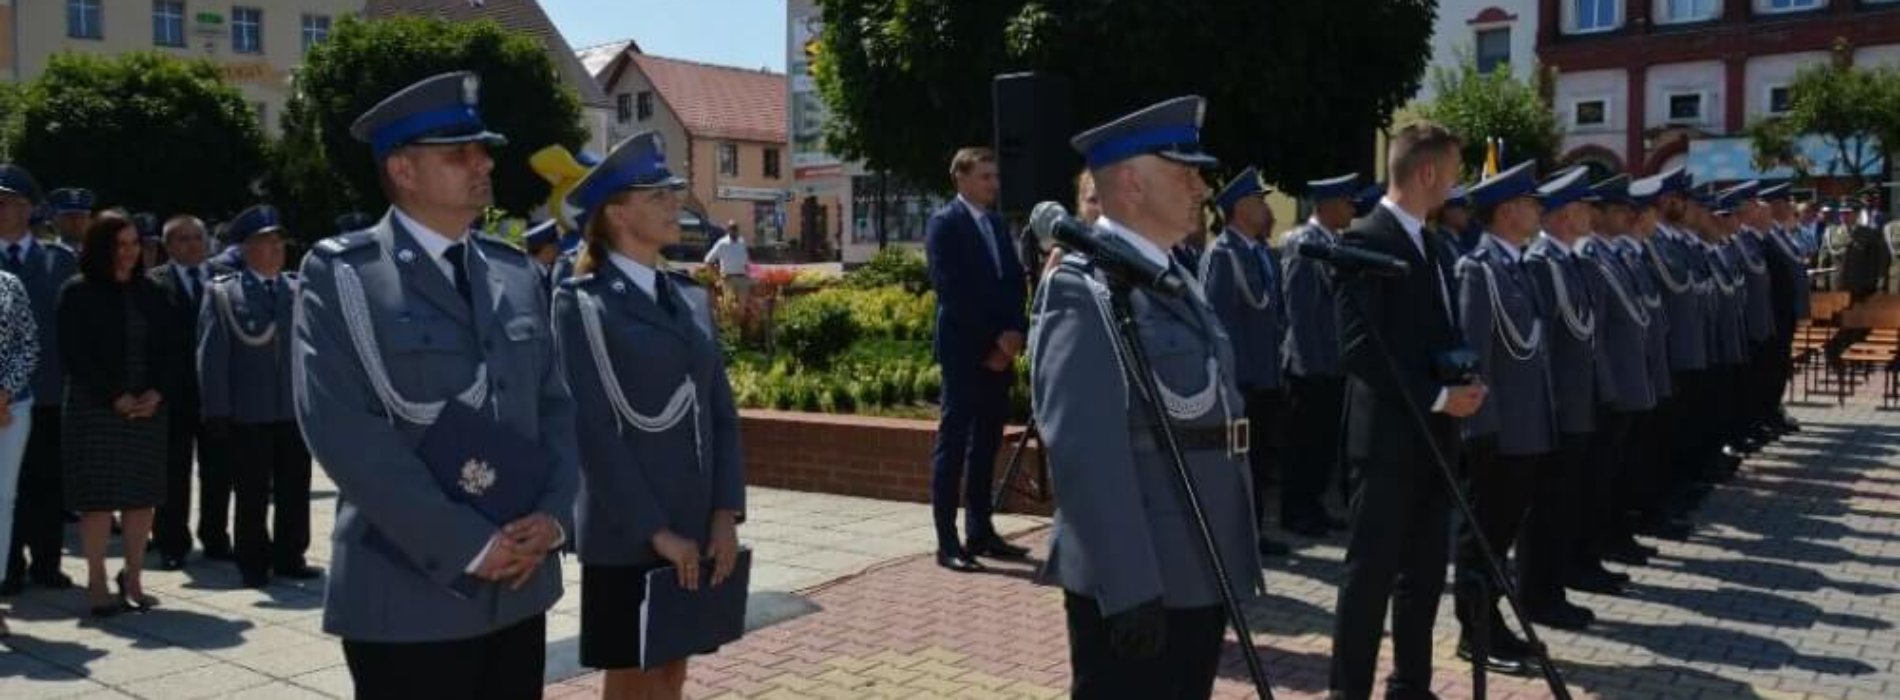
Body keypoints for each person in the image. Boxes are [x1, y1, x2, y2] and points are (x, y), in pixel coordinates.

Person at [292, 71, 579, 698]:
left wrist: (554, 519)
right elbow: (343, 434)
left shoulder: (513, 272)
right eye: (458, 154)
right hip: (409, 596)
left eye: (482, 151)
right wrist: (469, 545)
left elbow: (557, 408)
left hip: (519, 592)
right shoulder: (344, 276)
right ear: (402, 170)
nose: (482, 165)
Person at [1032, 94, 1262, 700]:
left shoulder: (1172, 274)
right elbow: (1085, 453)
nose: (1201, 187)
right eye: (1184, 172)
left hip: (1196, 559)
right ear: (1131, 183)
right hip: (1143, 573)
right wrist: (1129, 586)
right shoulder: (1085, 290)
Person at [554, 130, 746, 700]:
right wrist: (655, 532)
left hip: (693, 520)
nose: (673, 204)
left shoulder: (686, 294)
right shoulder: (582, 303)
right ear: (615, 212)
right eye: (656, 195)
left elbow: (721, 414)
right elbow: (591, 433)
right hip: (628, 527)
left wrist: (723, 513)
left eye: (673, 191)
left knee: (672, 672)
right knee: (634, 678)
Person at [1328, 123, 1479, 700]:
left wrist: (1463, 378)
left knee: (1421, 573)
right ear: (1427, 173)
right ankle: (1349, 693)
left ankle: (1410, 686)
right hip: (1388, 441)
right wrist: (1438, 396)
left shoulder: (1434, 243)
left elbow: (1436, 331)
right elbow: (1359, 349)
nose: (1459, 184)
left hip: (1434, 439)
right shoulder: (1366, 237)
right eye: (1455, 170)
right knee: (1369, 577)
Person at [1448, 161, 1555, 677]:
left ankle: (1492, 618)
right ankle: (1474, 630)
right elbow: (1473, 355)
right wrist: (1479, 431)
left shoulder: (1516, 265)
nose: (1540, 211)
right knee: (1483, 534)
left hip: (1526, 425)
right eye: (1533, 203)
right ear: (1508, 210)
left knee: (1503, 532)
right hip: (1498, 430)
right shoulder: (1479, 269)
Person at [58, 212, 182, 617]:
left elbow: (172, 350)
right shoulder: (77, 292)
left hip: (147, 408)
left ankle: (133, 578)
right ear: (100, 247)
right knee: (97, 502)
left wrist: (156, 392)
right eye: (119, 245)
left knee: (141, 497)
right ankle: (96, 580)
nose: (129, 253)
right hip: (96, 408)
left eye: (134, 244)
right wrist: (115, 396)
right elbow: (75, 354)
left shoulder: (155, 290)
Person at [200, 205, 319, 588]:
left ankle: (290, 555)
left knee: (294, 489)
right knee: (251, 494)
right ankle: (252, 561)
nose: (274, 249)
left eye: (278, 242)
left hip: (292, 410)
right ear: (246, 249)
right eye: (265, 243)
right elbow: (212, 355)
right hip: (248, 413)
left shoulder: (298, 288)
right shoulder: (223, 293)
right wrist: (217, 409)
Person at [923, 146, 1029, 573]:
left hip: (999, 354)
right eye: (985, 176)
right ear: (961, 179)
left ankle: (981, 532)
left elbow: (1012, 284)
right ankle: (947, 542)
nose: (993, 184)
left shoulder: (999, 226)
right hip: (965, 351)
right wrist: (993, 342)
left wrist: (1014, 335)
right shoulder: (944, 224)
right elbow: (954, 290)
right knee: (954, 445)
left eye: (995, 176)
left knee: (987, 444)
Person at [1519, 167, 1614, 631]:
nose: (1589, 215)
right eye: (1581, 207)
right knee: (1547, 503)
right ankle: (1538, 594)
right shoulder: (1541, 263)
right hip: (1557, 404)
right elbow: (1540, 342)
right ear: (1562, 215)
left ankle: (1553, 584)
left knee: (1567, 497)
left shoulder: (1570, 261)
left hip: (1578, 399)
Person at [1199, 167, 1292, 559]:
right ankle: (1236, 537)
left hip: (1266, 373)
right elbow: (1216, 324)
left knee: (1259, 460)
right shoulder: (1223, 255)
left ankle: (1254, 531)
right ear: (1238, 208)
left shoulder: (1257, 254)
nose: (1264, 206)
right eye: (1257, 200)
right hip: (1242, 378)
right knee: (1239, 462)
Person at [0, 164, 76, 597]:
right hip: (3, 399)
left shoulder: (59, 260)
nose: (2, 209)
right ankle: (7, 567)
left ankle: (47, 562)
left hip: (49, 391)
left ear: (29, 209)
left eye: (10, 201)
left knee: (47, 483)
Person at [1577, 175, 1657, 579]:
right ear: (1599, 214)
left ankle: (1613, 537)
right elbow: (1594, 329)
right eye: (1621, 209)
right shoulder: (1590, 254)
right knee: (1598, 475)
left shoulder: (1613, 255)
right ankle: (1594, 548)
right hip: (1609, 383)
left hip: (1627, 378)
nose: (1631, 215)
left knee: (1618, 467)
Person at [147, 215, 231, 570]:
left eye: (198, 237)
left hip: (215, 396)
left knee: (218, 472)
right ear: (168, 246)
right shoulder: (151, 285)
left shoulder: (225, 280)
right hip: (171, 396)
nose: (193, 245)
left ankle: (215, 538)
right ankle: (171, 542)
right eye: (182, 239)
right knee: (172, 474)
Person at [1279, 173, 1360, 538]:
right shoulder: (1303, 243)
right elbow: (1298, 309)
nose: (1352, 209)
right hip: (1309, 364)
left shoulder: (1333, 241)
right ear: (1327, 205)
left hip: (1332, 362)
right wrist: (1311, 363)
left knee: (1323, 443)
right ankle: (1296, 511)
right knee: (1304, 442)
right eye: (1346, 202)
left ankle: (1314, 506)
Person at [0, 267, 38, 636]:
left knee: (2, 503)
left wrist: (5, 391)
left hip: (10, 409)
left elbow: (28, 345)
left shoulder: (9, 283)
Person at [1041, 169, 1102, 275]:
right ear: (1080, 204)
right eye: (1093, 200)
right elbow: (1045, 289)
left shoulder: (1131, 243)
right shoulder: (1064, 250)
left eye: (1106, 199)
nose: (1101, 208)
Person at [703, 223, 752, 303]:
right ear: (728, 230)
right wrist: (716, 277)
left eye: (736, 229)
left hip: (742, 278)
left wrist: (749, 275)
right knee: (729, 306)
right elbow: (708, 260)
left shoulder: (741, 242)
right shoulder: (722, 243)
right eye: (732, 229)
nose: (734, 231)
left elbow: (746, 261)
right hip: (728, 279)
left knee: (742, 307)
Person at [47, 187, 95, 252]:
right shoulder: (47, 254)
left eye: (82, 217)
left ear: (89, 220)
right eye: (70, 217)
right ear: (56, 220)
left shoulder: (99, 253)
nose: (76, 222)